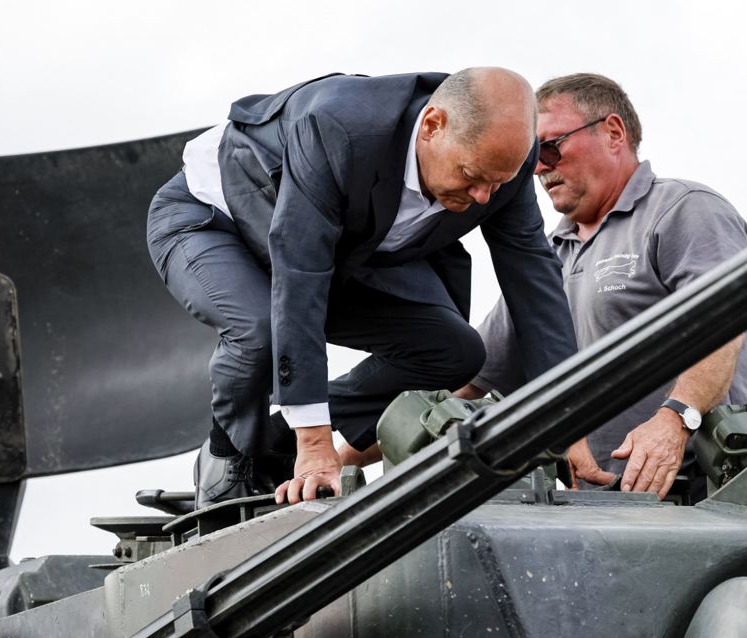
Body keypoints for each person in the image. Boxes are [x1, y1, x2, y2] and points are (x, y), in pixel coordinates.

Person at [147, 68, 577, 507]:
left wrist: (569, 422)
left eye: (496, 183)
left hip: (343, 249)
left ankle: (274, 437)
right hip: (212, 220)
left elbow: (533, 278)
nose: (484, 197)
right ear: (432, 126)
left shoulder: (504, 159)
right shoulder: (338, 127)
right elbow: (300, 275)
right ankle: (227, 457)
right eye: (471, 174)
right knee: (259, 332)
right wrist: (315, 444)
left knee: (454, 351)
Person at [462, 74, 747, 501]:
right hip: (611, 509)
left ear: (612, 133)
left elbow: (724, 325)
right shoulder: (548, 257)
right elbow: (472, 380)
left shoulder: (682, 210)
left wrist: (676, 419)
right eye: (531, 156)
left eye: (550, 147)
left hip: (720, 491)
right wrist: (365, 438)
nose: (538, 167)